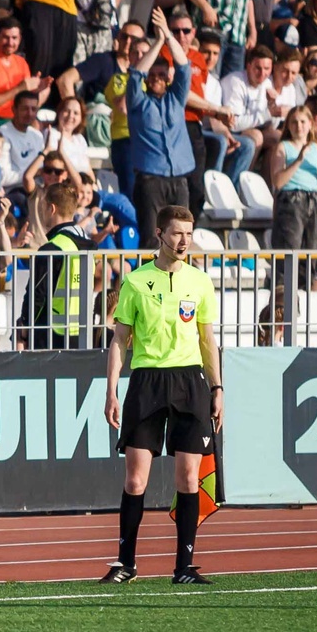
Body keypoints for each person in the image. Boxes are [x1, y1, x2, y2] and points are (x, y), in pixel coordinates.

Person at [101, 205, 221, 586]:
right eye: (176, 233)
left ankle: (183, 568)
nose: (184, 241)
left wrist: (217, 388)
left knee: (188, 478)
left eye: (189, 233)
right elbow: (120, 340)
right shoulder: (136, 283)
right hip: (147, 382)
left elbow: (207, 340)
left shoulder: (200, 282)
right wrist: (112, 392)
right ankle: (126, 564)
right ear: (159, 234)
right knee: (135, 480)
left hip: (189, 383)